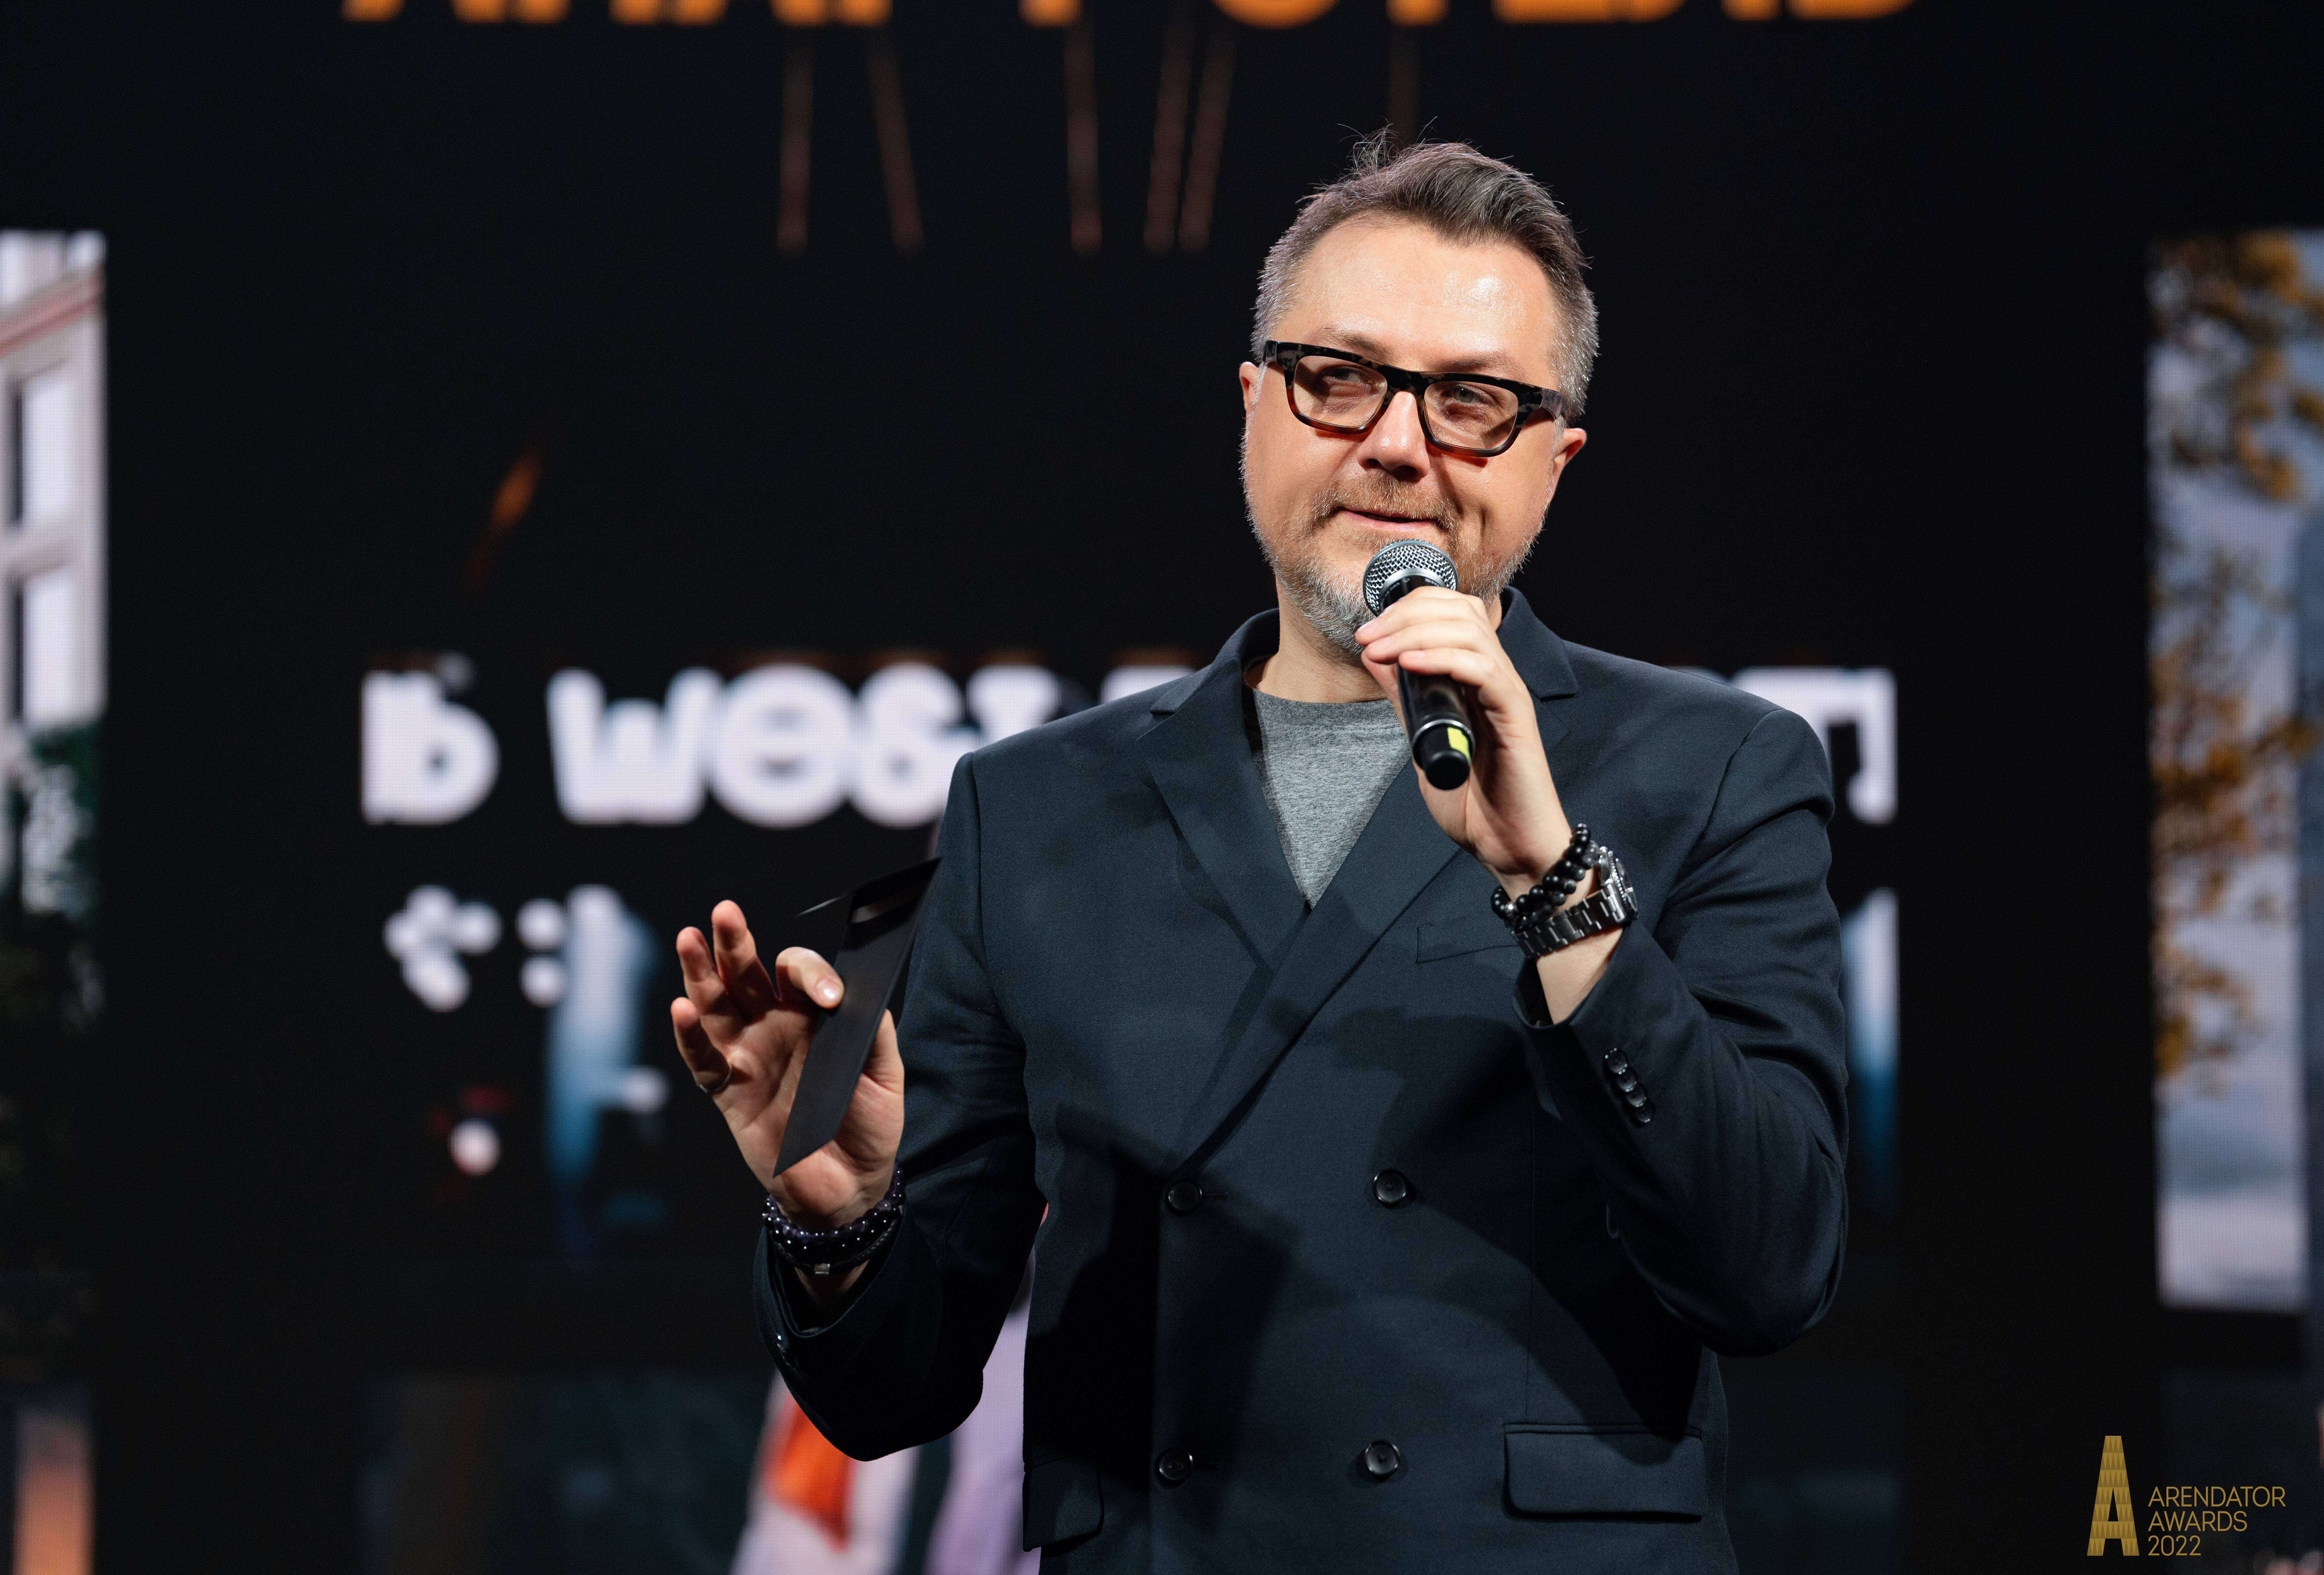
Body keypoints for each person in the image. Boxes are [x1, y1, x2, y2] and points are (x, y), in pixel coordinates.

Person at [671, 135, 1847, 1573]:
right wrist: (839, 1220)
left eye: (1472, 402)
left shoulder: (1712, 768)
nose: (1397, 445)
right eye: (1337, 378)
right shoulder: (1030, 806)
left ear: (1555, 461)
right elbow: (894, 1396)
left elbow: (1769, 1270)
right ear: (1254, 407)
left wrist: (1552, 884)